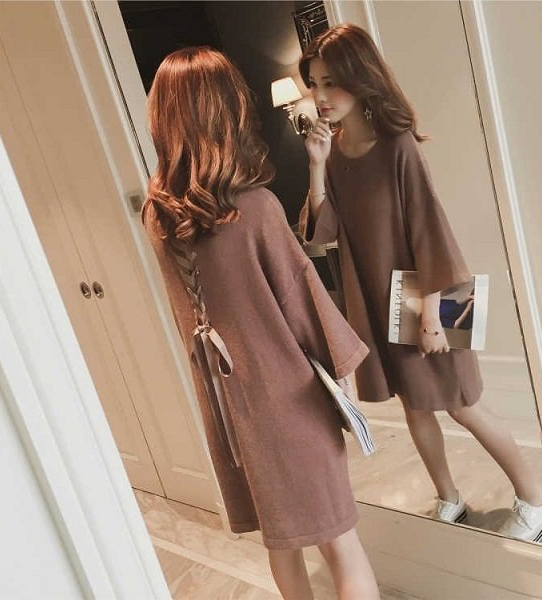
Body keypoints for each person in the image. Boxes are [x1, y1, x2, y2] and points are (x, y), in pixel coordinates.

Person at [298, 24, 542, 543]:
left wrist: (434, 316)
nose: (320, 97)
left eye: (331, 83)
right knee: (413, 405)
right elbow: (320, 236)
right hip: (379, 298)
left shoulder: (398, 147)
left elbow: (430, 229)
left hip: (433, 293)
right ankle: (449, 498)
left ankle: (537, 500)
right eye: (314, 84)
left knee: (463, 402)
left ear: (359, 78)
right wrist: (318, 167)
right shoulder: (337, 151)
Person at [142, 46, 380, 599]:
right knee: (341, 543)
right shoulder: (256, 209)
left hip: (230, 410)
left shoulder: (158, 216)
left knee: (283, 546)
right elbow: (306, 306)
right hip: (289, 402)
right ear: (227, 110)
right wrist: (345, 376)